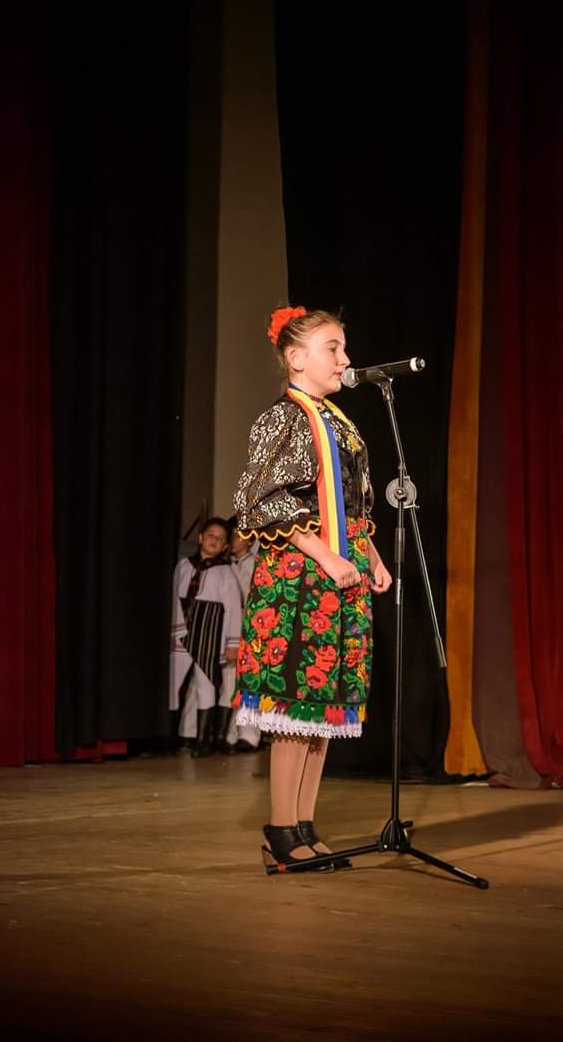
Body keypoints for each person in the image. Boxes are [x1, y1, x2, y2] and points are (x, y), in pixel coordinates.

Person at [232, 305, 392, 872]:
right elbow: (260, 499)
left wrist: (371, 557)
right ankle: (280, 828)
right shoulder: (285, 418)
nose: (345, 359)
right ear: (296, 358)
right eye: (333, 348)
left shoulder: (338, 422)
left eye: (344, 348)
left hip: (340, 575)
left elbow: (352, 505)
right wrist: (326, 555)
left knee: (323, 710)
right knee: (297, 704)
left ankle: (304, 825)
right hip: (300, 580)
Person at [169, 517, 242, 756]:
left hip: (209, 634)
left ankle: (202, 740)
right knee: (173, 682)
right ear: (201, 538)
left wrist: (233, 643)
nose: (214, 540)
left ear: (225, 546)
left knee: (206, 684)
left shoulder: (225, 572)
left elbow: (233, 609)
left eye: (220, 539)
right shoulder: (183, 565)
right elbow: (172, 597)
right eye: (211, 535)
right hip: (181, 630)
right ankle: (169, 736)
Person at [221, 526, 262, 753]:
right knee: (229, 682)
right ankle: (230, 733)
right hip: (230, 627)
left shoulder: (255, 564)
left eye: (240, 536)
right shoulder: (226, 565)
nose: (235, 540)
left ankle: (249, 734)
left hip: (251, 627)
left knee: (249, 678)